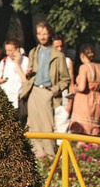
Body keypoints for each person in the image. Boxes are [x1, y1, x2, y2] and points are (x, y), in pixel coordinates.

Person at [22, 21, 70, 159]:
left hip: (48, 92)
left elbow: (66, 79)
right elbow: (29, 74)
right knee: (33, 127)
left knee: (47, 127)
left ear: (49, 34)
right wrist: (28, 74)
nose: (42, 36)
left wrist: (53, 90)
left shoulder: (57, 55)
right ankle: (37, 158)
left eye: (44, 33)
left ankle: (51, 158)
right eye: (39, 34)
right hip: (33, 91)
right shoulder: (33, 52)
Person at [68, 45, 100, 137]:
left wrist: (74, 88)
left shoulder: (84, 67)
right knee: (93, 130)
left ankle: (82, 149)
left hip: (84, 100)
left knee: (82, 131)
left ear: (82, 55)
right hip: (97, 99)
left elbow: (82, 87)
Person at [0, 40, 29, 109]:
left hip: (19, 100)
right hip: (6, 99)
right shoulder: (5, 61)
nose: (7, 53)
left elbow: (26, 81)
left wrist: (17, 63)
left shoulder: (26, 61)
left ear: (17, 49)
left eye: (10, 50)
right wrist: (0, 80)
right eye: (6, 50)